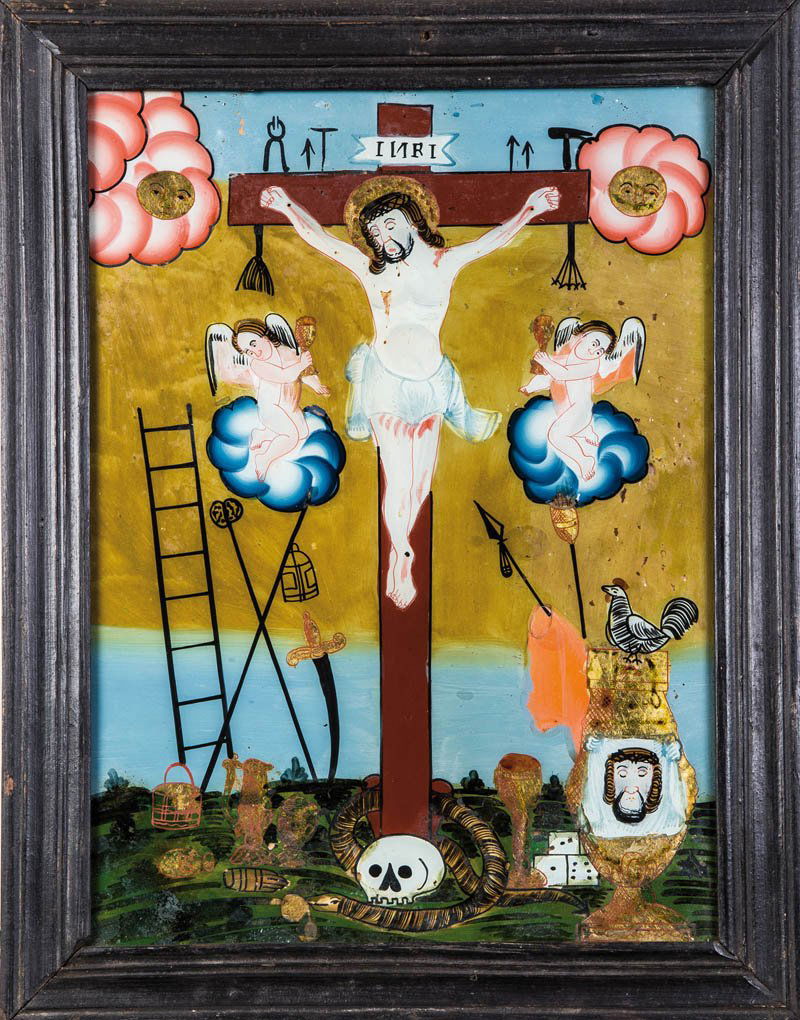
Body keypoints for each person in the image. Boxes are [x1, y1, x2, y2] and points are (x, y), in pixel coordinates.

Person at [259, 178, 560, 608]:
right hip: (387, 384)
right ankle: (400, 555)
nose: (382, 237)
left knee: (420, 484)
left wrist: (530, 208)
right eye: (374, 232)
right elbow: (321, 239)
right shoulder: (371, 272)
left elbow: (490, 242)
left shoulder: (443, 263)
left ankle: (402, 543)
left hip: (432, 383)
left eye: (389, 225)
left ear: (412, 221)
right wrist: (286, 205)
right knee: (398, 479)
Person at [232, 315, 330, 480]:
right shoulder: (257, 364)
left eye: (253, 344)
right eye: (248, 351)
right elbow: (285, 375)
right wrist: (301, 364)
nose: (254, 352)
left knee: (303, 432)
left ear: (264, 335)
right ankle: (264, 459)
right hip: (270, 409)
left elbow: (302, 374)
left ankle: (263, 434)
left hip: (288, 405)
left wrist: (316, 385)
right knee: (291, 436)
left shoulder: (286, 352)